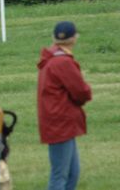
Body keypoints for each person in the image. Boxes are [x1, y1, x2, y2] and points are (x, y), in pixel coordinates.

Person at [37, 21, 92, 190]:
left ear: (54, 38)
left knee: (72, 172)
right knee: (60, 174)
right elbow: (81, 92)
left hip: (58, 121)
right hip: (61, 122)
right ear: (74, 38)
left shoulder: (50, 58)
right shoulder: (63, 62)